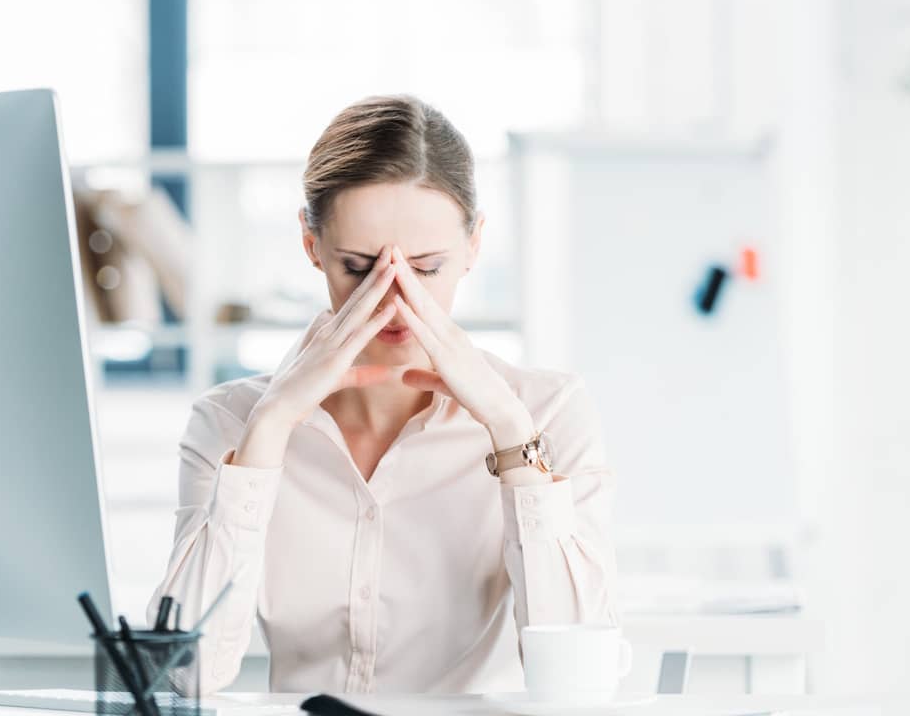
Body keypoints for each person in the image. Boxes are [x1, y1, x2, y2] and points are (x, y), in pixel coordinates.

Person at [147, 95, 618, 695]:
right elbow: (186, 676)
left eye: (424, 269)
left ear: (475, 245)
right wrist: (270, 431)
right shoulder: (228, 421)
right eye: (358, 266)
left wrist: (508, 430)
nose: (393, 302)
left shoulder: (547, 411)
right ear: (311, 244)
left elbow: (578, 686)